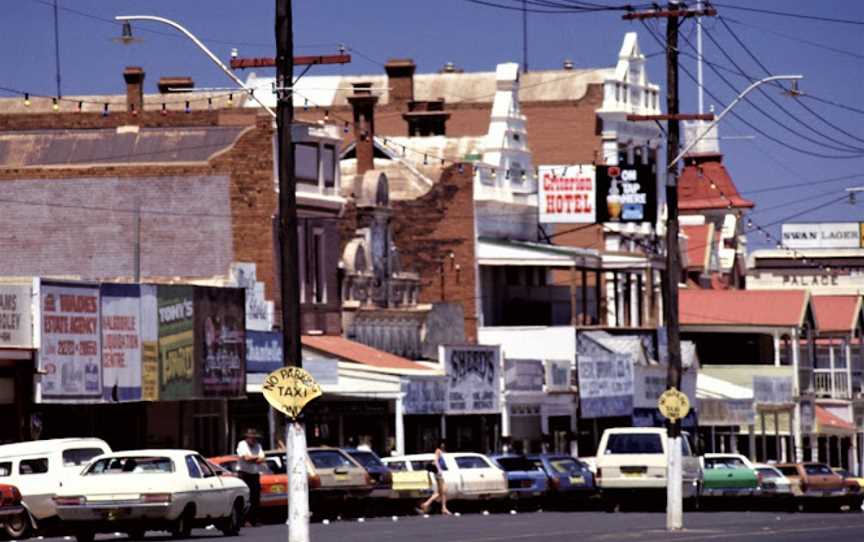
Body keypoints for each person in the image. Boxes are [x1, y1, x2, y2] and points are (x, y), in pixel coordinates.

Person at [236, 428, 265, 526]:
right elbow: (246, 458)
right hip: (244, 474)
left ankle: (254, 519)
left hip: (255, 475)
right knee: (245, 498)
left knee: (255, 498)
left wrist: (253, 458)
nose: (253, 440)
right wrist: (256, 458)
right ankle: (244, 520)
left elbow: (262, 459)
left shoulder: (258, 445)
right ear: (247, 438)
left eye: (254, 438)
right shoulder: (242, 444)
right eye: (251, 438)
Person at [418, 440, 451, 515]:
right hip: (438, 473)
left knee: (442, 491)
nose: (443, 445)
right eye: (442, 444)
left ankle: (442, 507)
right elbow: (435, 461)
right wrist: (439, 470)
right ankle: (429, 504)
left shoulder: (441, 451)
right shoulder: (438, 451)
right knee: (442, 491)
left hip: (438, 473)